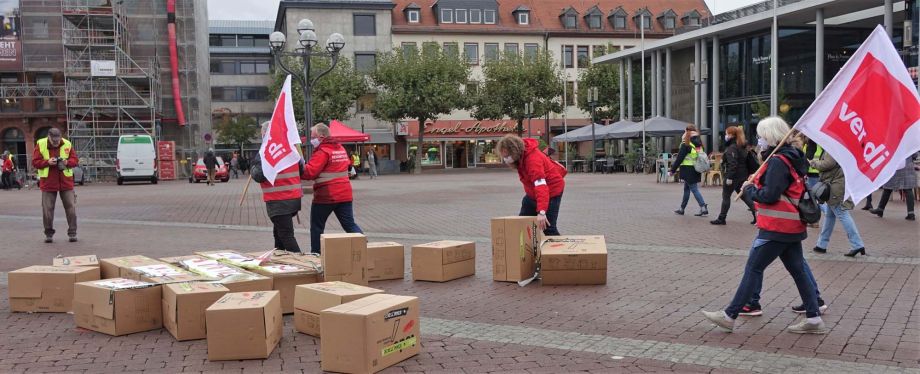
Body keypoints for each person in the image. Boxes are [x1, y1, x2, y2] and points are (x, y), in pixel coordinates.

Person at [701, 116, 826, 334]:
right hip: (790, 225)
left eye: (761, 136)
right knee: (798, 270)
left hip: (777, 225)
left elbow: (769, 195)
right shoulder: (792, 157)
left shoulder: (778, 161)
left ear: (770, 136)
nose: (759, 140)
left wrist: (750, 189)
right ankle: (814, 317)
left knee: (754, 267)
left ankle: (730, 314)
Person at [301, 124, 363, 254]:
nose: (311, 140)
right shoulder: (340, 148)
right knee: (349, 224)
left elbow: (309, 173)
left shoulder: (323, 151)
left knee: (317, 227)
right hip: (345, 194)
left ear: (321, 137)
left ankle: (316, 255)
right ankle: (363, 248)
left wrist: (300, 165)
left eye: (313, 137)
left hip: (326, 196)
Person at [496, 134, 566, 236]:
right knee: (523, 223)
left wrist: (542, 212)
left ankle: (560, 250)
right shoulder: (521, 156)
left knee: (548, 227)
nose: (506, 159)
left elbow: (541, 186)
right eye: (504, 157)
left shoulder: (533, 161)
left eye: (507, 156)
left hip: (552, 191)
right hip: (533, 194)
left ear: (514, 151)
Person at [250, 122, 304, 253]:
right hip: (293, 199)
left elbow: (259, 176)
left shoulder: (266, 152)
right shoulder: (290, 149)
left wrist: (252, 168)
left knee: (286, 235)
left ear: (265, 134)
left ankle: (303, 263)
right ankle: (279, 256)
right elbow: (301, 169)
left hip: (278, 200)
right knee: (279, 232)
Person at [809, 151, 867, 256]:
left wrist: (814, 163)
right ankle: (821, 245)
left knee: (842, 213)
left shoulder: (832, 148)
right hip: (836, 184)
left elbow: (828, 164)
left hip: (835, 186)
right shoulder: (836, 147)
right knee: (829, 216)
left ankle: (857, 244)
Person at [32, 128, 79, 243]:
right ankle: (49, 234)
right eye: (54, 141)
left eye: (58, 140)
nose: (57, 143)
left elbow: (75, 160)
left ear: (60, 137)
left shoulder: (67, 143)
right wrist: (47, 162)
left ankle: (72, 233)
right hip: (48, 182)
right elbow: (35, 162)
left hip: (66, 182)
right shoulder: (41, 144)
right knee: (47, 210)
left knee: (71, 208)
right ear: (49, 137)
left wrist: (67, 162)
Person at [711, 126, 756, 225]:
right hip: (743, 175)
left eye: (726, 134)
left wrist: (729, 177)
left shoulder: (732, 147)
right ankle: (757, 214)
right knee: (744, 196)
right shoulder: (741, 145)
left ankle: (722, 218)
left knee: (726, 197)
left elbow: (733, 164)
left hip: (733, 176)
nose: (725, 136)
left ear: (731, 135)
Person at [669, 125, 708, 216]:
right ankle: (682, 208)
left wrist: (672, 170)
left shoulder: (686, 144)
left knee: (694, 189)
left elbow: (679, 158)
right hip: (696, 169)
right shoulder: (699, 143)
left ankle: (703, 207)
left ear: (686, 132)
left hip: (687, 170)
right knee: (687, 189)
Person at [870, 155, 917, 221]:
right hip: (907, 165)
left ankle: (880, 209)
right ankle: (911, 214)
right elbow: (915, 154)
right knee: (908, 189)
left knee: (887, 188)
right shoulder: (910, 144)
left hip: (895, 165)